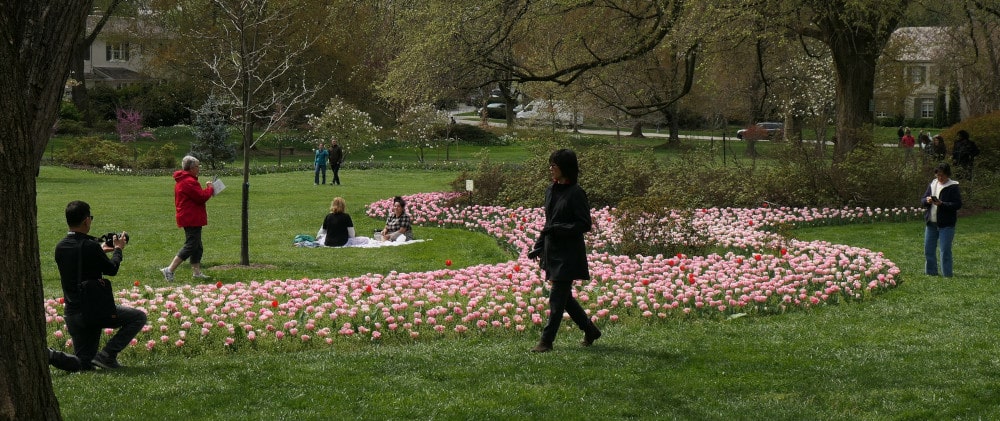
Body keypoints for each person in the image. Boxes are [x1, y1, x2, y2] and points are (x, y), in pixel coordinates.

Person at [54, 201, 147, 370]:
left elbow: (78, 265)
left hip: (72, 313)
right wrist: (118, 249)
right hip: (93, 311)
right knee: (138, 317)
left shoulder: (60, 247)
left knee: (84, 364)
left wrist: (101, 251)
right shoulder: (90, 246)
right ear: (86, 221)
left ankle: (51, 355)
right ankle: (107, 355)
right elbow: (112, 269)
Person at [526, 149, 602, 353]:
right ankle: (590, 330)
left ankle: (546, 341)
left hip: (568, 253)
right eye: (550, 164)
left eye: (554, 165)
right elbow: (549, 222)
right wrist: (539, 245)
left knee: (557, 297)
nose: (551, 168)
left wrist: (559, 229)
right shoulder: (551, 190)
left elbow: (584, 224)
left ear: (565, 168)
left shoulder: (576, 193)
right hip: (552, 250)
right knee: (563, 297)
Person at [162, 155, 214, 281]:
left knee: (197, 246)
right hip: (191, 217)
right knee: (191, 245)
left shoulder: (185, 179)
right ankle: (169, 269)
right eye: (197, 166)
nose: (199, 168)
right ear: (191, 168)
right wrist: (210, 188)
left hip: (190, 216)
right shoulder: (188, 182)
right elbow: (201, 197)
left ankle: (196, 273)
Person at [922, 162, 962, 277]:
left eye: (942, 176)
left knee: (945, 250)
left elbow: (957, 204)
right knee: (928, 249)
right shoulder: (933, 184)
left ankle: (947, 274)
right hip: (931, 223)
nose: (940, 178)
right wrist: (927, 200)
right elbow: (923, 199)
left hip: (946, 224)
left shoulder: (953, 186)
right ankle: (931, 273)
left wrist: (942, 204)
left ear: (947, 175)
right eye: (938, 175)